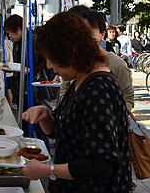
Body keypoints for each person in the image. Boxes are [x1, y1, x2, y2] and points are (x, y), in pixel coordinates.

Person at [21, 11, 131, 193]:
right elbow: (59, 131)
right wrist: (46, 115)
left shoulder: (98, 88)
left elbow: (101, 164)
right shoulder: (80, 79)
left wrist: (48, 170)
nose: (48, 65)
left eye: (51, 58)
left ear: (69, 53)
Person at [60, 7, 134, 110]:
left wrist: (115, 116)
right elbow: (64, 91)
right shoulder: (73, 62)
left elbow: (128, 97)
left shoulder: (118, 64)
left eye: (89, 33)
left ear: (102, 35)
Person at [3, 14, 50, 151]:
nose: (10, 36)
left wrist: (30, 70)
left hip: (34, 87)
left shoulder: (34, 41)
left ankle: (44, 156)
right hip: (22, 86)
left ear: (18, 29)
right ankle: (28, 152)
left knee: (37, 125)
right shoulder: (19, 42)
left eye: (10, 32)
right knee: (25, 122)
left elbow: (46, 62)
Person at [0, 26, 14, 109]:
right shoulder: (7, 43)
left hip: (7, 70)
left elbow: (5, 59)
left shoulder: (5, 44)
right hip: (7, 69)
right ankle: (10, 105)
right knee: (8, 89)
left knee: (8, 89)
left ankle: (10, 106)